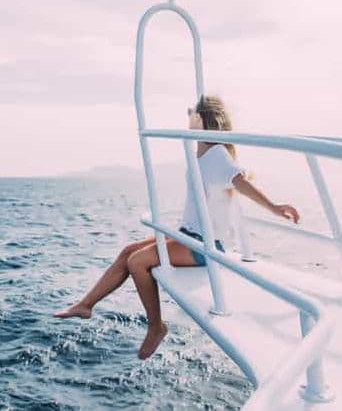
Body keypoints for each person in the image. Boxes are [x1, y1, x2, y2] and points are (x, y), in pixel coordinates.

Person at [53, 94, 301, 360]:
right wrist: (194, 119)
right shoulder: (202, 152)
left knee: (138, 262)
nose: (187, 115)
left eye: (192, 113)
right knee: (128, 251)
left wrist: (274, 207)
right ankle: (86, 305)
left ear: (202, 119)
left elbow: (239, 182)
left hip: (206, 246)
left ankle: (156, 327)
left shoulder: (217, 154)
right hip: (189, 235)